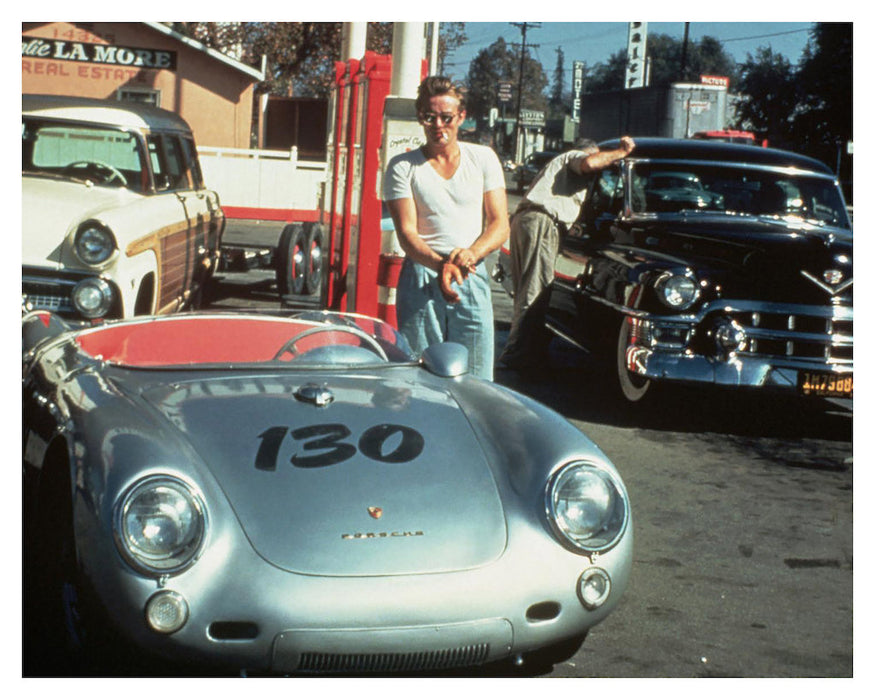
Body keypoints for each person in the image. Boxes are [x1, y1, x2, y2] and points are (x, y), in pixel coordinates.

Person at [383, 76, 509, 380]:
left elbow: (499, 223)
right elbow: (408, 235)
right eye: (429, 116)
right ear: (420, 117)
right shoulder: (402, 167)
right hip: (422, 275)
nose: (438, 125)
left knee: (477, 377)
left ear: (462, 117)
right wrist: (441, 266)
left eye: (446, 117)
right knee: (419, 374)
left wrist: (470, 255)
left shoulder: (483, 159)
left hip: (470, 273)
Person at [499, 136, 636, 369]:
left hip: (527, 220)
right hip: (542, 222)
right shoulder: (574, 157)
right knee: (535, 291)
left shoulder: (561, 170)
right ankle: (518, 357)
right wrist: (621, 152)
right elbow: (591, 163)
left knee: (527, 289)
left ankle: (526, 350)